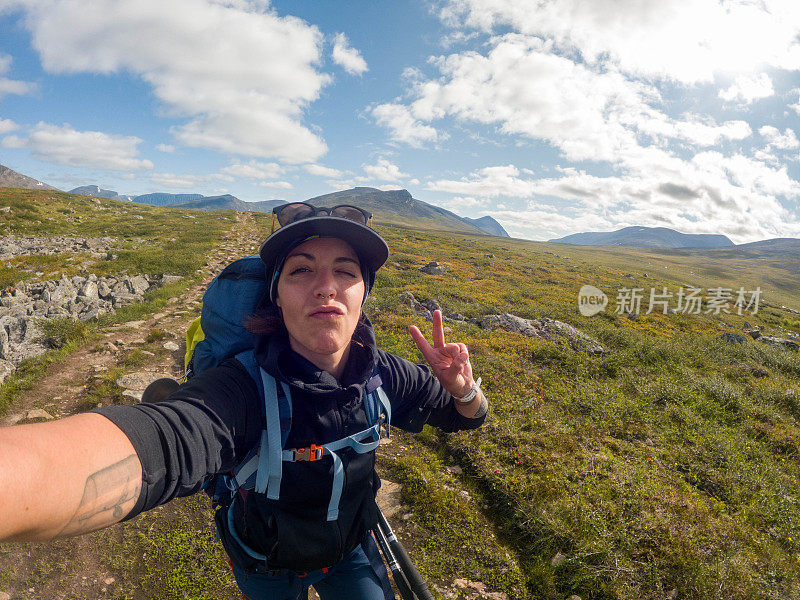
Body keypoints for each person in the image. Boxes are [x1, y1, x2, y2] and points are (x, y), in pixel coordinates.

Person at [0, 202, 488, 600]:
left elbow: (466, 417)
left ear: (364, 293)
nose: (326, 286)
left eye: (346, 270)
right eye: (301, 270)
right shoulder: (241, 389)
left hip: (352, 552)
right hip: (266, 566)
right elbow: (163, 442)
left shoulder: (387, 374)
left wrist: (464, 389)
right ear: (275, 295)